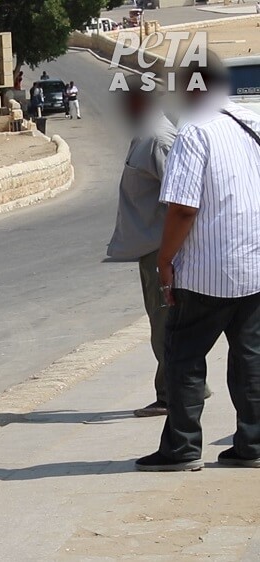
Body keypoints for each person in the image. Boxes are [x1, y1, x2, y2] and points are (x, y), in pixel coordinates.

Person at [136, 53, 260, 472]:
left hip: (207, 271)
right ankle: (253, 446)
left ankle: (182, 449)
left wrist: (166, 260)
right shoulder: (251, 124)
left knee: (184, 356)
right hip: (254, 264)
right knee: (251, 358)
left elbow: (183, 209)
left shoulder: (194, 132)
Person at [106, 75, 179, 417]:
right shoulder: (144, 135)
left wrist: (169, 256)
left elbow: (180, 199)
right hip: (150, 248)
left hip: (160, 249)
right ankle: (179, 388)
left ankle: (174, 394)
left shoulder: (158, 138)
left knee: (166, 323)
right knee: (160, 322)